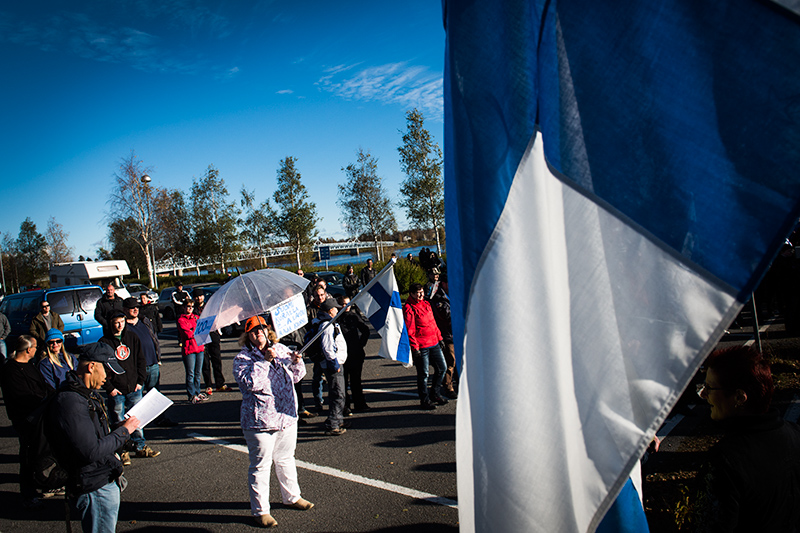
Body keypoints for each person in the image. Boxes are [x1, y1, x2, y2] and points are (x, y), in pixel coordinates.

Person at [693, 346, 800, 531]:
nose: (703, 394)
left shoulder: (724, 461)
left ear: (739, 397)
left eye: (709, 388)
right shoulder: (795, 434)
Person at [47, 342, 140, 533]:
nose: (107, 378)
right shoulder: (71, 401)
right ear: (91, 367)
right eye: (106, 371)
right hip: (93, 486)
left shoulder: (86, 394)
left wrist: (118, 428)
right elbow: (90, 450)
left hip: (101, 479)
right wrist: (124, 432)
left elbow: (94, 433)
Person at [233, 316, 314, 528]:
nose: (258, 333)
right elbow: (251, 384)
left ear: (268, 331)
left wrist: (297, 361)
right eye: (253, 330)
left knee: (286, 458)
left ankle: (292, 496)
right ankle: (261, 510)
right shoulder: (242, 358)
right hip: (260, 421)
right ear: (247, 335)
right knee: (261, 465)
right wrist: (264, 362)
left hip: (286, 415)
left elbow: (298, 376)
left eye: (262, 328)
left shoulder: (280, 348)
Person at [0, 335, 53, 508]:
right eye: (36, 347)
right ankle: (28, 492)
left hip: (40, 416)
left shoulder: (30, 366)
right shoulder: (11, 370)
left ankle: (43, 481)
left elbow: (44, 386)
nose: (37, 349)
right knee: (28, 455)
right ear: (28, 349)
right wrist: (41, 400)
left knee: (41, 451)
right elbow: (21, 396)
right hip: (25, 419)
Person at [99, 312, 159, 462]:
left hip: (133, 387)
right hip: (116, 390)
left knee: (136, 419)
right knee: (119, 421)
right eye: (116, 322)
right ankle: (122, 450)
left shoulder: (132, 338)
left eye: (122, 321)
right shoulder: (104, 342)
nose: (119, 325)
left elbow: (140, 360)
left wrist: (140, 381)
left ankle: (140, 446)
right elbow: (101, 368)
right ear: (111, 323)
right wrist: (109, 388)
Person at [403, 283, 448, 409]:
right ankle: (425, 399)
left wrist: (440, 338)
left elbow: (433, 323)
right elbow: (410, 329)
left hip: (434, 342)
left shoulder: (426, 304)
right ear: (411, 294)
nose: (421, 294)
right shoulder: (409, 308)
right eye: (417, 293)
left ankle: (435, 394)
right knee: (424, 374)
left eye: (422, 292)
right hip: (421, 346)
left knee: (442, 368)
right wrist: (415, 347)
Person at [313, 299, 348, 435]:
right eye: (335, 308)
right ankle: (333, 422)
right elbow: (327, 347)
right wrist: (334, 364)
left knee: (338, 392)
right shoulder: (327, 325)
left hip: (334, 363)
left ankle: (338, 419)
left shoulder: (327, 323)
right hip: (333, 365)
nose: (337, 310)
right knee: (338, 393)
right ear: (330, 310)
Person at [425, 269, 457, 399]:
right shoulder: (438, 298)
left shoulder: (452, 294)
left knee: (458, 361)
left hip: (456, 333)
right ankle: (448, 386)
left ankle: (458, 383)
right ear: (443, 283)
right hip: (446, 334)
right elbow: (446, 315)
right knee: (450, 361)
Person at [337, 296, 371, 412]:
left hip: (355, 353)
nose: (345, 306)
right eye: (342, 304)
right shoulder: (336, 318)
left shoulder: (354, 316)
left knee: (356, 380)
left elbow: (365, 330)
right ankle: (345, 406)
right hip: (343, 354)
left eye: (347, 304)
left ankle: (359, 403)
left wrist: (361, 344)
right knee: (343, 382)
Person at [196, 288, 229, 394]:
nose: (199, 298)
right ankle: (208, 385)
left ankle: (220, 383)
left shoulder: (208, 306)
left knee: (217, 360)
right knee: (205, 362)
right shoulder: (193, 309)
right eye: (196, 296)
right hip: (201, 336)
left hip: (213, 334)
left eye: (200, 296)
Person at [177, 301, 206, 404]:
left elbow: (203, 329)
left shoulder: (196, 318)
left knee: (198, 373)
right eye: (188, 306)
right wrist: (195, 330)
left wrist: (194, 330)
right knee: (191, 373)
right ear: (184, 307)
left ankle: (197, 392)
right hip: (189, 350)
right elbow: (187, 334)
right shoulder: (181, 320)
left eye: (192, 306)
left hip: (199, 348)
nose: (190, 308)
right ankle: (191, 394)